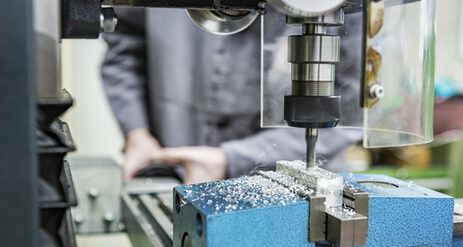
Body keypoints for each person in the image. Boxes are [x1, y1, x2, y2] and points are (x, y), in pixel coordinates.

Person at [101, 7, 363, 183]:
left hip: (295, 181)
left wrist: (233, 159)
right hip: (175, 172)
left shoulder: (343, 10)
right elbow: (125, 47)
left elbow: (351, 106)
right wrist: (137, 133)